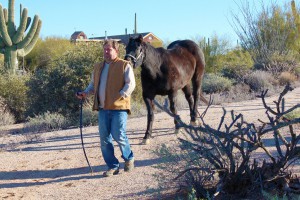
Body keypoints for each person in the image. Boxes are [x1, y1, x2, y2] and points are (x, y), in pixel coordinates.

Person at [76, 39, 136, 177]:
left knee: (118, 134)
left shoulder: (124, 65)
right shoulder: (98, 67)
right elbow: (92, 85)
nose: (106, 52)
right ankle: (113, 166)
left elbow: (130, 84)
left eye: (109, 49)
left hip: (119, 108)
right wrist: (85, 93)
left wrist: (121, 95)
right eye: (105, 50)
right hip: (102, 108)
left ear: (116, 51)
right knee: (104, 139)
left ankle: (129, 158)